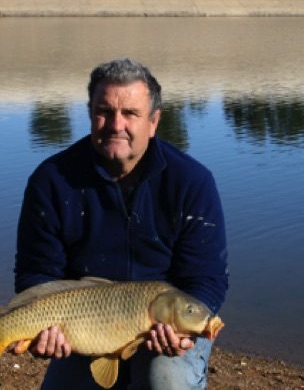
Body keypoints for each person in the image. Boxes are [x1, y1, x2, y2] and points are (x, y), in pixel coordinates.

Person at [14, 58, 229, 389]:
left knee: (165, 378)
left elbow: (206, 278)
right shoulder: (51, 181)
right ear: (90, 115)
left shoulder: (192, 181)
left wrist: (185, 332)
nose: (116, 125)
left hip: (167, 327)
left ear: (153, 122)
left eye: (130, 113)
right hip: (81, 327)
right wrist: (44, 336)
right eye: (104, 111)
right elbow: (37, 273)